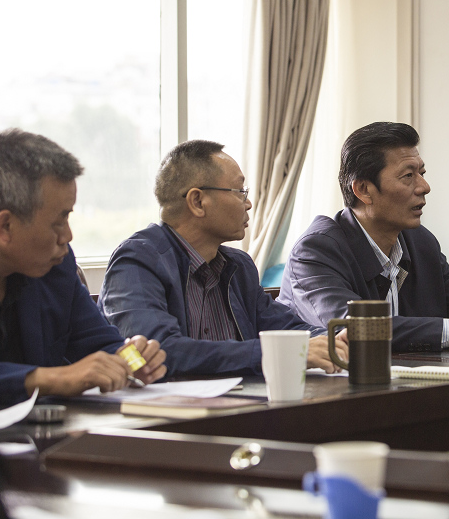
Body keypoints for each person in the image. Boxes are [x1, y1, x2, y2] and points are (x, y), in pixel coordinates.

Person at [99, 140, 345, 376]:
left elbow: (285, 327)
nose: (248, 204)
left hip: (243, 400)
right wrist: (285, 352)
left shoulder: (239, 266)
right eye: (240, 192)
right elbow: (160, 352)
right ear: (198, 201)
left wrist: (336, 340)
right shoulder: (137, 261)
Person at [278, 122, 449, 352]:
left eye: (422, 173)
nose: (424, 187)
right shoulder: (315, 251)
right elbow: (355, 329)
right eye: (408, 176)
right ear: (363, 190)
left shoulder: (421, 242)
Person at [0, 130, 166, 406]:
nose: (68, 236)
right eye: (59, 222)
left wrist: (134, 360)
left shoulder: (55, 268)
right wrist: (46, 379)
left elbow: (102, 343)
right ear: (5, 226)